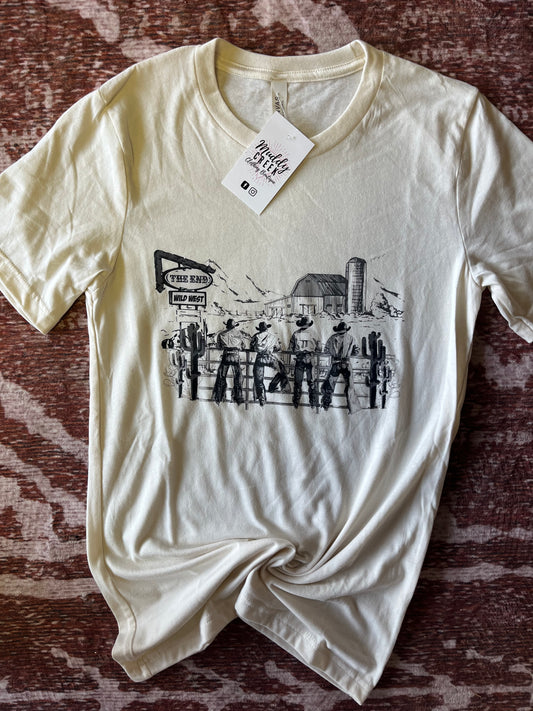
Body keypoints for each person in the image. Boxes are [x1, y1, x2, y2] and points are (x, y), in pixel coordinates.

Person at [321, 322, 360, 413]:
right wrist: (348, 354)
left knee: (330, 384)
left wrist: (333, 354)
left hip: (336, 363)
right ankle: (353, 409)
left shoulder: (332, 338)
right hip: (346, 363)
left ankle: (325, 406)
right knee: (349, 386)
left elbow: (326, 350)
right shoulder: (351, 338)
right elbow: (356, 351)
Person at [250, 321, 289, 406]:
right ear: (267, 328)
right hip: (269, 357)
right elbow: (278, 348)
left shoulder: (255, 336)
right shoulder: (273, 337)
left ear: (259, 329)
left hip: (260, 358)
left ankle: (262, 399)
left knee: (258, 380)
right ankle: (272, 386)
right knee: (283, 370)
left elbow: (251, 347)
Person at [289, 315, 321, 409]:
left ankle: (296, 403)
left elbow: (290, 348)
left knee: (298, 381)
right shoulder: (314, 333)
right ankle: (313, 403)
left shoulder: (296, 334)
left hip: (299, 359)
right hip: (310, 358)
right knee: (311, 381)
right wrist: (313, 353)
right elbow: (319, 348)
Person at [212, 318, 245, 404]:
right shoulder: (239, 334)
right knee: (238, 376)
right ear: (235, 326)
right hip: (235, 355)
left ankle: (219, 396)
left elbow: (219, 347)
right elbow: (243, 346)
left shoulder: (221, 334)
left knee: (221, 376)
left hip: (226, 355)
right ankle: (238, 397)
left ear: (227, 325)